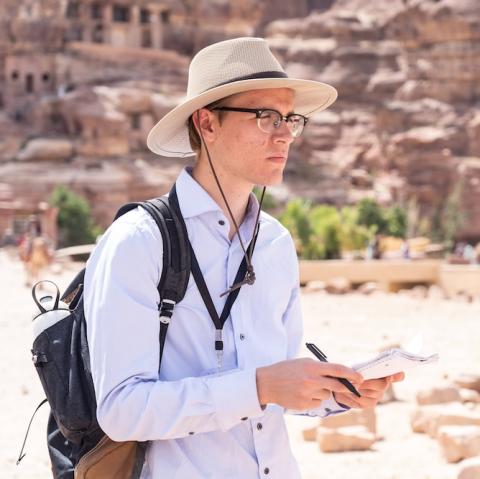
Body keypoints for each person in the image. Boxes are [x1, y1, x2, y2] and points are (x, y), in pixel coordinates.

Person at [84, 37, 404, 478]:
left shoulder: (275, 243)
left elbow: (282, 380)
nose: (286, 133)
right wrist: (259, 387)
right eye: (265, 116)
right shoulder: (137, 241)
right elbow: (121, 410)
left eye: (291, 118)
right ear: (207, 123)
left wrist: (335, 391)